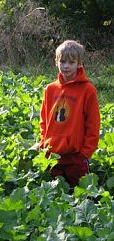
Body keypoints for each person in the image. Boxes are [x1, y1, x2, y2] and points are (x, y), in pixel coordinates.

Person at [39, 40, 100, 187]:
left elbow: (93, 124)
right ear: (56, 62)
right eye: (63, 61)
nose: (66, 66)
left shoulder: (87, 90)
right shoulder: (50, 89)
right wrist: (43, 144)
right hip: (53, 154)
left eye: (71, 62)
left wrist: (85, 153)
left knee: (80, 195)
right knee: (55, 196)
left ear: (79, 64)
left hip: (76, 156)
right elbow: (44, 120)